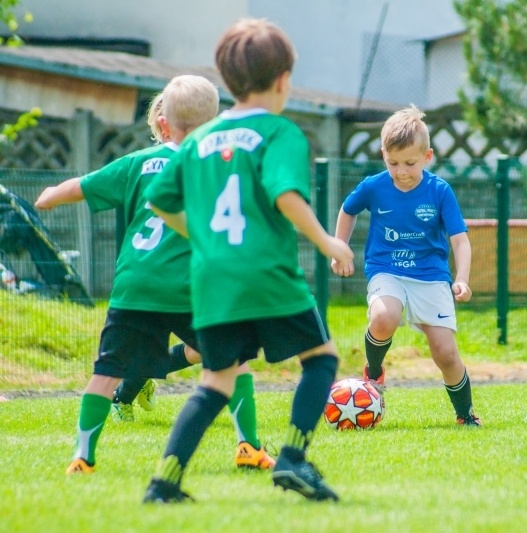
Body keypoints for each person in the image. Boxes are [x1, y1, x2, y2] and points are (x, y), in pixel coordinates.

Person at [141, 18, 354, 504]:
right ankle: (294, 459)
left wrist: (206, 239)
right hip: (267, 274)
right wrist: (326, 241)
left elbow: (158, 199)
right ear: (283, 79)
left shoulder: (196, 140)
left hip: (214, 280)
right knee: (320, 360)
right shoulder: (280, 133)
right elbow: (285, 195)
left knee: (216, 380)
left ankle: (164, 483)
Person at [36, 75, 274, 476]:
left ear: (162, 123)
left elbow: (77, 187)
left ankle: (83, 456)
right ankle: (248, 447)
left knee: (106, 374)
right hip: (192, 290)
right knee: (232, 364)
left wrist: (48, 197)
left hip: (135, 288)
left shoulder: (137, 165)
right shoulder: (219, 166)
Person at [331, 105, 481, 426]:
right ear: (383, 154)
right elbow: (347, 210)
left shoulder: (439, 190)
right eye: (393, 162)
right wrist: (340, 247)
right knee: (384, 316)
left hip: (431, 276)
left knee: (444, 353)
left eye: (410, 163)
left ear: (427, 157)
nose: (401, 171)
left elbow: (460, 240)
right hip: (386, 269)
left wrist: (463, 278)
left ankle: (465, 414)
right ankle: (373, 373)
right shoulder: (374, 186)